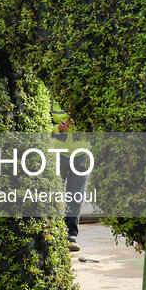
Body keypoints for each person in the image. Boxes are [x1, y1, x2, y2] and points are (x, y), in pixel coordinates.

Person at [51, 106, 88, 252]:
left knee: (75, 197)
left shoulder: (84, 95)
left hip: (81, 154)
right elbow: (41, 123)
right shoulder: (51, 100)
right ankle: (54, 232)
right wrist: (57, 128)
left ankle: (71, 235)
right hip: (58, 153)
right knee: (54, 195)